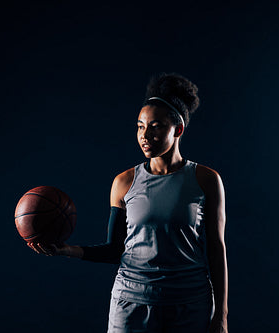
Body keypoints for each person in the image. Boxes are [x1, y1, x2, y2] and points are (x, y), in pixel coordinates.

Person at [27, 72, 228, 333]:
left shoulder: (206, 180)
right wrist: (66, 250)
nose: (145, 135)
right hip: (131, 303)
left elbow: (216, 248)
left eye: (155, 126)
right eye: (140, 126)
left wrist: (221, 316)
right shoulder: (124, 182)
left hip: (189, 305)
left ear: (177, 129)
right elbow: (114, 249)